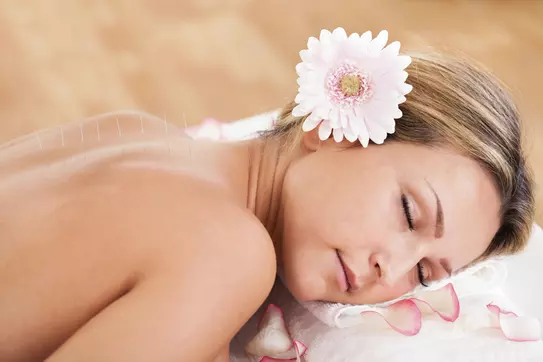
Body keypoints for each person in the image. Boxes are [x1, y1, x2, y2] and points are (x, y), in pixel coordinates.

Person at [0, 28, 534, 362]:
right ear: (333, 129)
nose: (388, 272)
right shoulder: (229, 251)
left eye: (423, 275)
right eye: (407, 211)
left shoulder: (133, 131)